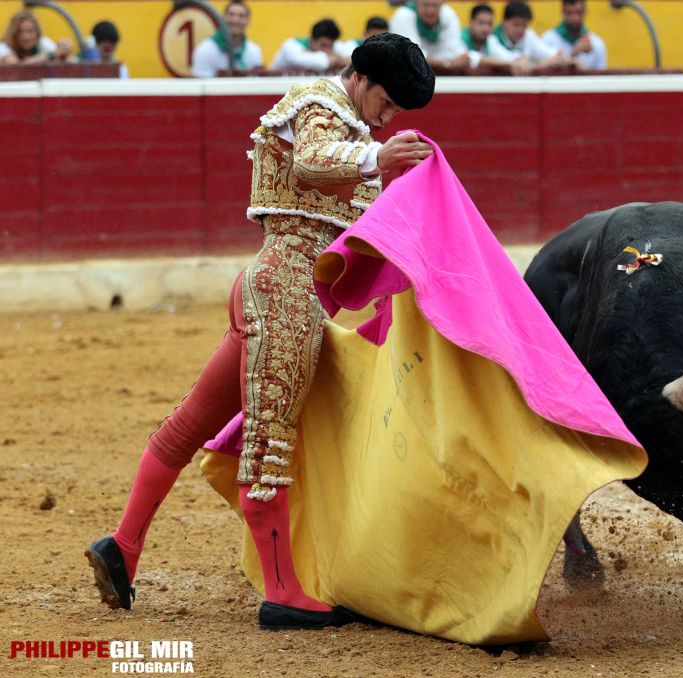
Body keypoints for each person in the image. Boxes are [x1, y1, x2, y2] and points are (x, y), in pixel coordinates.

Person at [85, 33, 436, 631]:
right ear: (363, 79)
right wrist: (377, 160)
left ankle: (124, 547)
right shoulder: (320, 105)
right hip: (287, 292)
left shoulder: (352, 129)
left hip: (279, 289)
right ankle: (282, 592)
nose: (388, 115)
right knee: (271, 443)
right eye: (388, 102)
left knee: (189, 424)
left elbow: (359, 216)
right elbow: (312, 162)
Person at [487, 1, 568, 75]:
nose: (520, 30)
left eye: (524, 25)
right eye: (516, 25)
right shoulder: (492, 38)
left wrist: (557, 58)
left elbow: (555, 55)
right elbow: (513, 63)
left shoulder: (528, 34)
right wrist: (539, 64)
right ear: (504, 22)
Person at [390, 0, 470, 72]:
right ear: (416, 3)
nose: (431, 10)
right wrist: (448, 64)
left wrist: (446, 63)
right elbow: (411, 56)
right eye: (426, 5)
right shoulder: (402, 15)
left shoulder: (448, 13)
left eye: (435, 5)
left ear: (442, 4)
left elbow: (454, 52)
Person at [192, 1, 263, 77]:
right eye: (231, 15)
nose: (235, 20)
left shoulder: (254, 50)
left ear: (248, 21)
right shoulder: (206, 49)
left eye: (241, 16)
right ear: (223, 18)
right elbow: (202, 86)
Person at [541, 0, 607, 71]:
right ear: (563, 13)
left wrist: (585, 72)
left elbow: (601, 77)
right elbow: (540, 72)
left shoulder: (597, 43)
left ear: (585, 13)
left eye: (578, 13)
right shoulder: (548, 39)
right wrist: (572, 54)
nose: (574, 18)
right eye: (569, 13)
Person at [271, 18, 351, 72]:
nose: (328, 50)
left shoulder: (333, 44)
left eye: (330, 46)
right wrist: (336, 59)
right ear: (312, 40)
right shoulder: (290, 45)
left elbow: (351, 59)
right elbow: (322, 63)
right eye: (323, 45)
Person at [0, 10, 72, 64]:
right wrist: (52, 55)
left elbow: (65, 61)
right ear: (13, 33)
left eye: (30, 31)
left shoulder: (43, 43)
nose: (26, 37)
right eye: (20, 32)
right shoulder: (4, 47)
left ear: (37, 33)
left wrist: (64, 53)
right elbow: (17, 65)